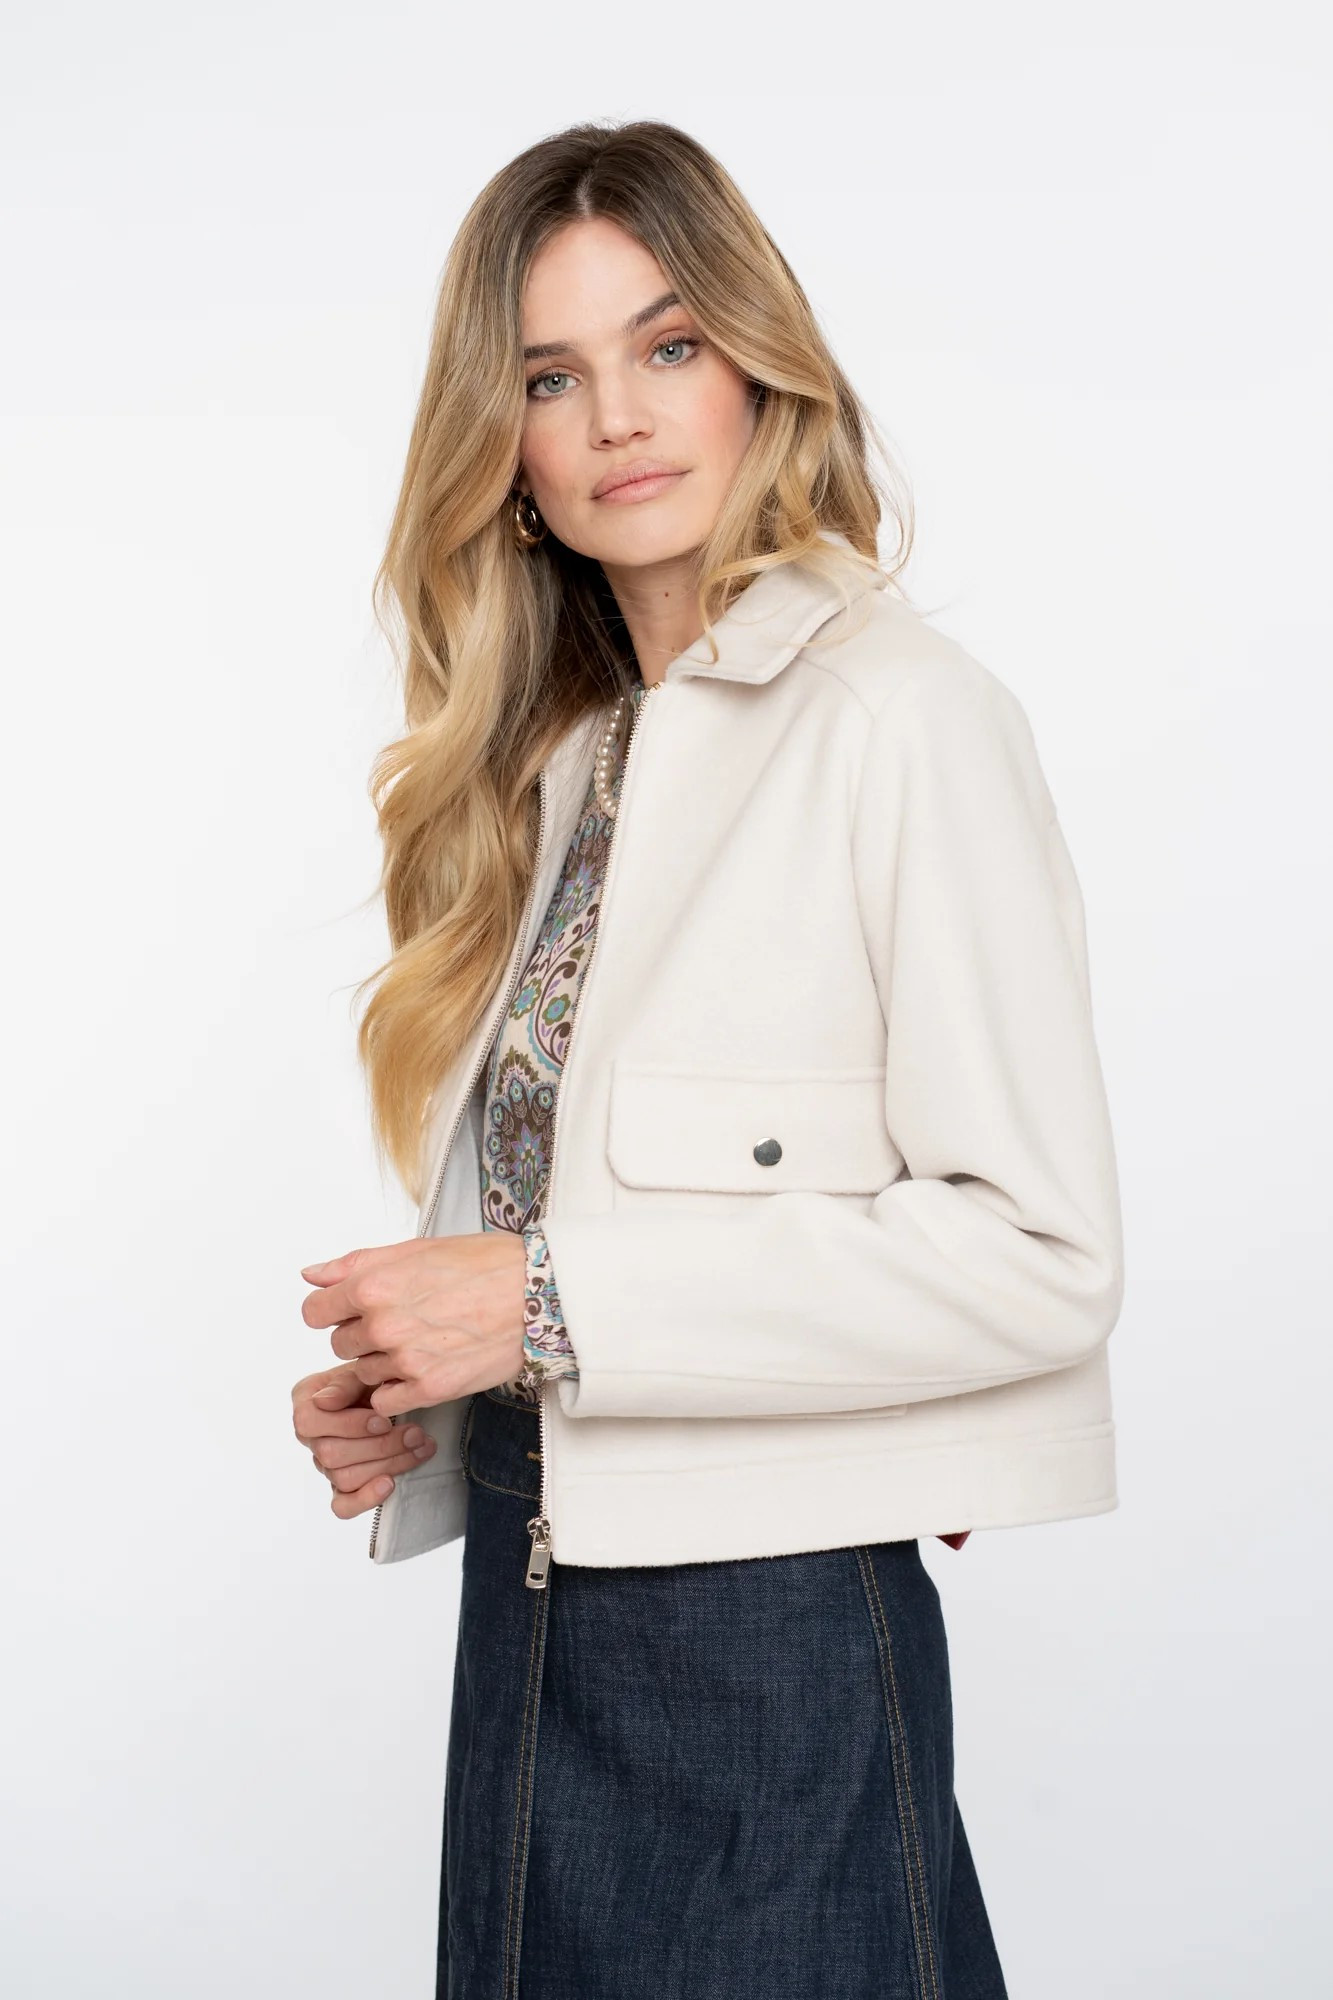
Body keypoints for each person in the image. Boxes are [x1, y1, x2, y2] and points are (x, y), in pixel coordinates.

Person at [289, 119, 1123, 2000]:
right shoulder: (567, 763)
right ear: (502, 448)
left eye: (667, 346)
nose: (618, 418)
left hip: (767, 1639)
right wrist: (435, 1385)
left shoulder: (900, 717)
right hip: (532, 1609)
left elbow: (1038, 1252)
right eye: (548, 377)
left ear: (758, 363)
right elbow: (610, 1207)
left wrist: (538, 1301)